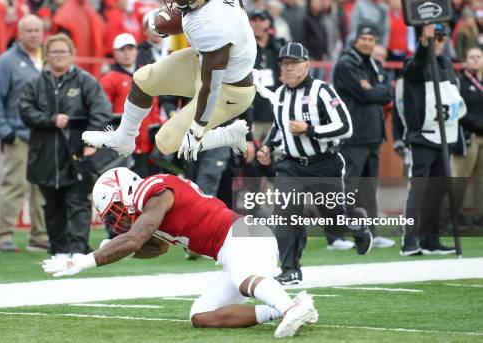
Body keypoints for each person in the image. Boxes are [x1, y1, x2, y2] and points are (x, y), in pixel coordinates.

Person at [43, 167, 319, 339]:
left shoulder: (153, 191)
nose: (118, 220)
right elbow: (156, 248)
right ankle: (284, 308)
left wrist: (86, 261)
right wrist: (112, 249)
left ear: (126, 191)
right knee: (201, 314)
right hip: (234, 246)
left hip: (241, 234)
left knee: (244, 279)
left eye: (116, 210)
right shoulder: (151, 210)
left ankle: (289, 309)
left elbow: (135, 239)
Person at [83, 0, 256, 162]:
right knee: (143, 80)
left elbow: (211, 88)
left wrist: (198, 129)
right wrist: (174, 14)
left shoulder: (216, 26)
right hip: (205, 61)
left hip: (230, 89)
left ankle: (230, 135)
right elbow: (195, 10)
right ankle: (123, 138)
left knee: (166, 142)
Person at [255, 42, 373, 285]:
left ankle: (356, 223)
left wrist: (310, 130)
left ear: (306, 65)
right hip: (291, 166)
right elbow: (279, 127)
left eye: (293, 63)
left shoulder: (322, 90)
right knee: (285, 214)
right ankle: (290, 269)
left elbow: (346, 127)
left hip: (324, 164)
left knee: (333, 225)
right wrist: (267, 147)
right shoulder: (278, 95)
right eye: (284, 64)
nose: (287, 68)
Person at [19, 33, 112, 256]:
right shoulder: (34, 84)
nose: (58, 56)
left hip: (77, 155)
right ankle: (59, 248)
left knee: (78, 202)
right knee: (52, 206)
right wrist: (51, 120)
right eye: (54, 52)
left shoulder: (86, 81)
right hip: (44, 156)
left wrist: (91, 141)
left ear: (72, 55)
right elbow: (25, 110)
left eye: (63, 51)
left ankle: (79, 249)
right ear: (46, 56)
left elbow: (102, 111)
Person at [394, 24, 465, 256]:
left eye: (441, 38)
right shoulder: (414, 64)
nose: (438, 41)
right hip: (423, 137)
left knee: (438, 188)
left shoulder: (446, 63)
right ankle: (409, 240)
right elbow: (416, 66)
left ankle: (430, 239)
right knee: (419, 188)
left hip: (445, 136)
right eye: (433, 38)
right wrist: (424, 44)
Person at [0, 15, 48, 253]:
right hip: (18, 134)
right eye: (28, 30)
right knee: (15, 185)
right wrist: (5, 132)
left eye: (37, 30)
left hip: (43, 135)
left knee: (42, 186)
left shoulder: (47, 59)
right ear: (19, 34)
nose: (33, 34)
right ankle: (3, 238)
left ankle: (39, 236)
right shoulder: (6, 62)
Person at [333, 24, 395, 249]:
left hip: (374, 136)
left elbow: (387, 92)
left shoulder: (375, 64)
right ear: (355, 40)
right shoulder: (346, 64)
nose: (367, 42)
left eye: (371, 39)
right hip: (354, 136)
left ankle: (371, 232)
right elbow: (365, 93)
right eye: (364, 38)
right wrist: (374, 91)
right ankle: (336, 235)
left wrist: (374, 90)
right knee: (347, 188)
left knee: (368, 189)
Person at [100, 33, 162, 177]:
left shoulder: (147, 73)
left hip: (148, 144)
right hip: (125, 147)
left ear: (136, 50)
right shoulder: (109, 79)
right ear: (115, 53)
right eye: (122, 50)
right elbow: (104, 113)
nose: (127, 53)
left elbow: (155, 105)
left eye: (130, 48)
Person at [453, 47, 483, 226]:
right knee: (460, 178)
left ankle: (480, 216)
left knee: (481, 179)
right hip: (468, 136)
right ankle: (452, 216)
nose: (475, 60)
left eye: (479, 57)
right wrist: (475, 124)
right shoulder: (459, 82)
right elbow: (458, 110)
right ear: (465, 61)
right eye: (471, 57)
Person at [248, 8, 284, 142]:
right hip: (251, 112)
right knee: (249, 156)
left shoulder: (279, 46)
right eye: (254, 20)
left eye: (261, 20)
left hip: (274, 114)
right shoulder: (244, 46)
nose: (257, 24)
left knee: (275, 155)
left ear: (269, 23)